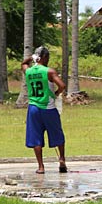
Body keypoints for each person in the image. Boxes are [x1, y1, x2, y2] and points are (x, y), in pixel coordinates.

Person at [21, 46, 67, 174]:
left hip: (33, 108)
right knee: (57, 133)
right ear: (45, 57)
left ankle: (41, 167)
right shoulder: (49, 71)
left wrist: (32, 57)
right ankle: (62, 159)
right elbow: (62, 85)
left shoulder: (29, 71)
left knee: (36, 137)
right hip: (48, 107)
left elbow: (24, 63)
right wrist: (57, 93)